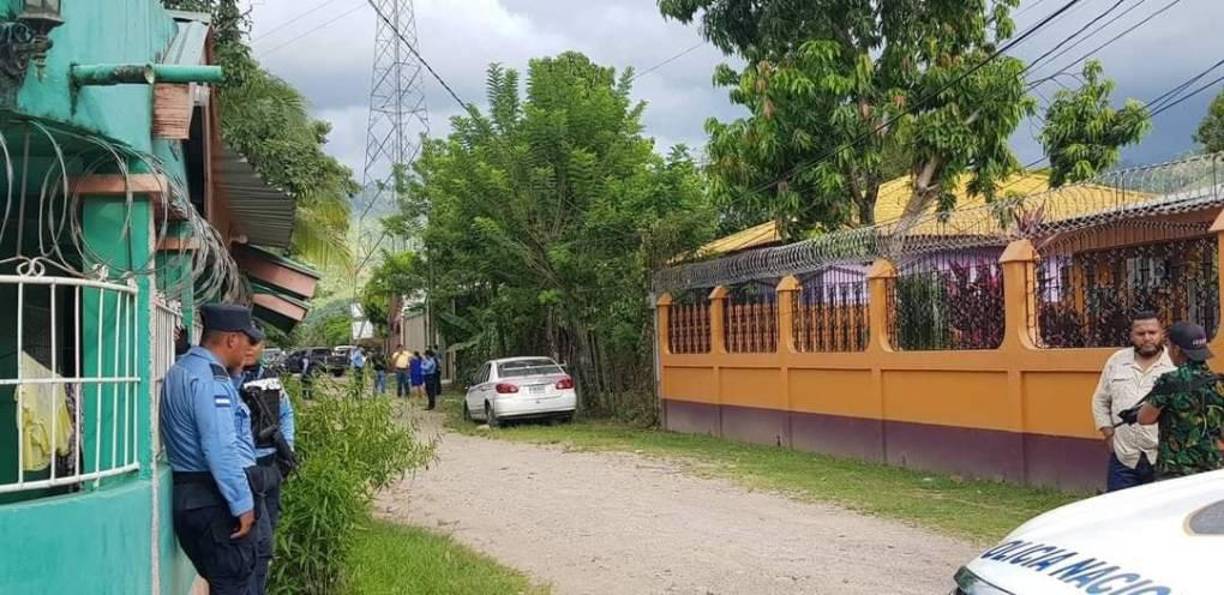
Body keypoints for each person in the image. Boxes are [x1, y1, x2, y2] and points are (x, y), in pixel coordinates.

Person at [160, 304, 266, 594]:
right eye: (247, 340)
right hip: (214, 501)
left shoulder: (180, 370)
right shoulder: (211, 380)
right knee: (235, 582)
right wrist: (242, 504)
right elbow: (220, 446)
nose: (249, 348)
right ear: (232, 339)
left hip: (188, 497)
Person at [1091, 311, 1174, 492]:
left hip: (1162, 459)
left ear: (1162, 334)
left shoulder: (1174, 365)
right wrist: (1109, 435)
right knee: (1120, 515)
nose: (1147, 338)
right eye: (1140, 334)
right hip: (1123, 459)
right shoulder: (1116, 361)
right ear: (1131, 336)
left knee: (1159, 515)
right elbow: (1100, 400)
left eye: (1152, 333)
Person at [239, 335, 297, 593]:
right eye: (246, 342)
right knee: (253, 541)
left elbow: (286, 413)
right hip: (243, 470)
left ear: (263, 346)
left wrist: (288, 449)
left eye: (256, 343)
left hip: (270, 464)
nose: (250, 349)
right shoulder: (227, 376)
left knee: (267, 539)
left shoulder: (270, 378)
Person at [1132, 321, 1224, 480]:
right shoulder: (1219, 382)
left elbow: (1144, 418)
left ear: (1176, 349)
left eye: (1169, 346)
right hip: (1213, 469)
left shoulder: (1170, 381)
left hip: (1176, 471)